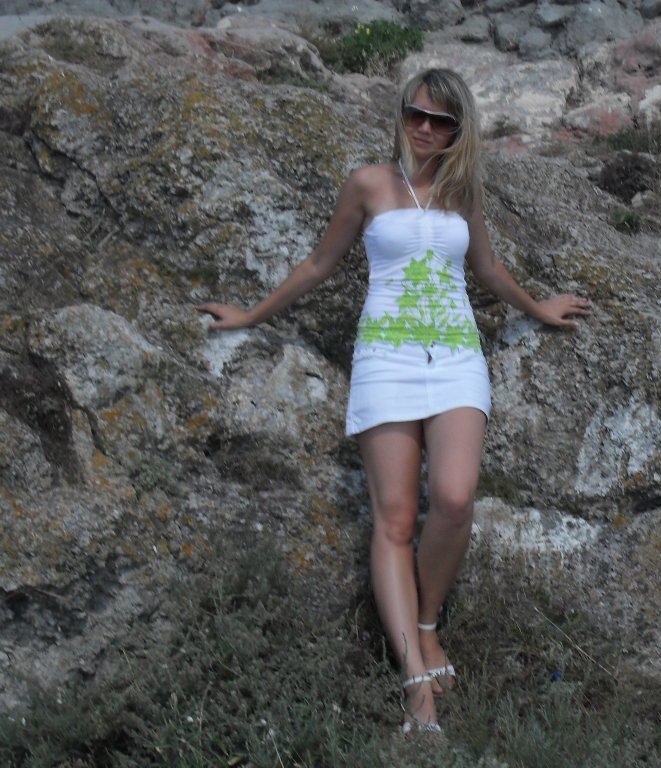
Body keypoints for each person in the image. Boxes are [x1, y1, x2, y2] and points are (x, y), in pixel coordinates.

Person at [198, 68, 590, 735]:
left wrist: (539, 307)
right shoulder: (369, 184)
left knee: (456, 499)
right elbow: (319, 265)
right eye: (417, 114)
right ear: (402, 114)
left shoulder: (463, 191)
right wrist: (251, 315)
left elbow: (487, 270)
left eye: (442, 121)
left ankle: (427, 621)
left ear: (459, 130)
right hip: (386, 361)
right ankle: (416, 687)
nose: (426, 128)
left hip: (457, 360)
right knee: (395, 521)